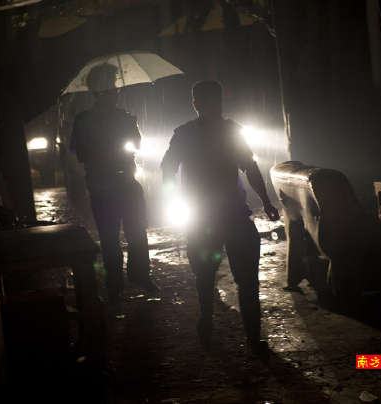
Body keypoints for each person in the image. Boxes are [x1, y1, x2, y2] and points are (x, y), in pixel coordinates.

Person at [161, 80, 280, 354]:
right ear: (220, 100)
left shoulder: (184, 133)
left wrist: (171, 200)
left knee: (204, 276)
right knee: (247, 280)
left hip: (203, 217)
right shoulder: (231, 131)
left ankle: (207, 322)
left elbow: (167, 168)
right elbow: (250, 168)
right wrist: (266, 201)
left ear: (195, 104)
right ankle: (252, 338)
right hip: (233, 214)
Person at [70, 64, 158, 307]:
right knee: (115, 236)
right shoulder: (87, 120)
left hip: (120, 182)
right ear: (102, 91)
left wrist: (129, 125)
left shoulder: (116, 117)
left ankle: (131, 279)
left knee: (132, 232)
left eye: (116, 87)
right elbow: (81, 153)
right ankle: (120, 283)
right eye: (112, 86)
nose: (116, 91)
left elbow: (136, 144)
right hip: (106, 184)